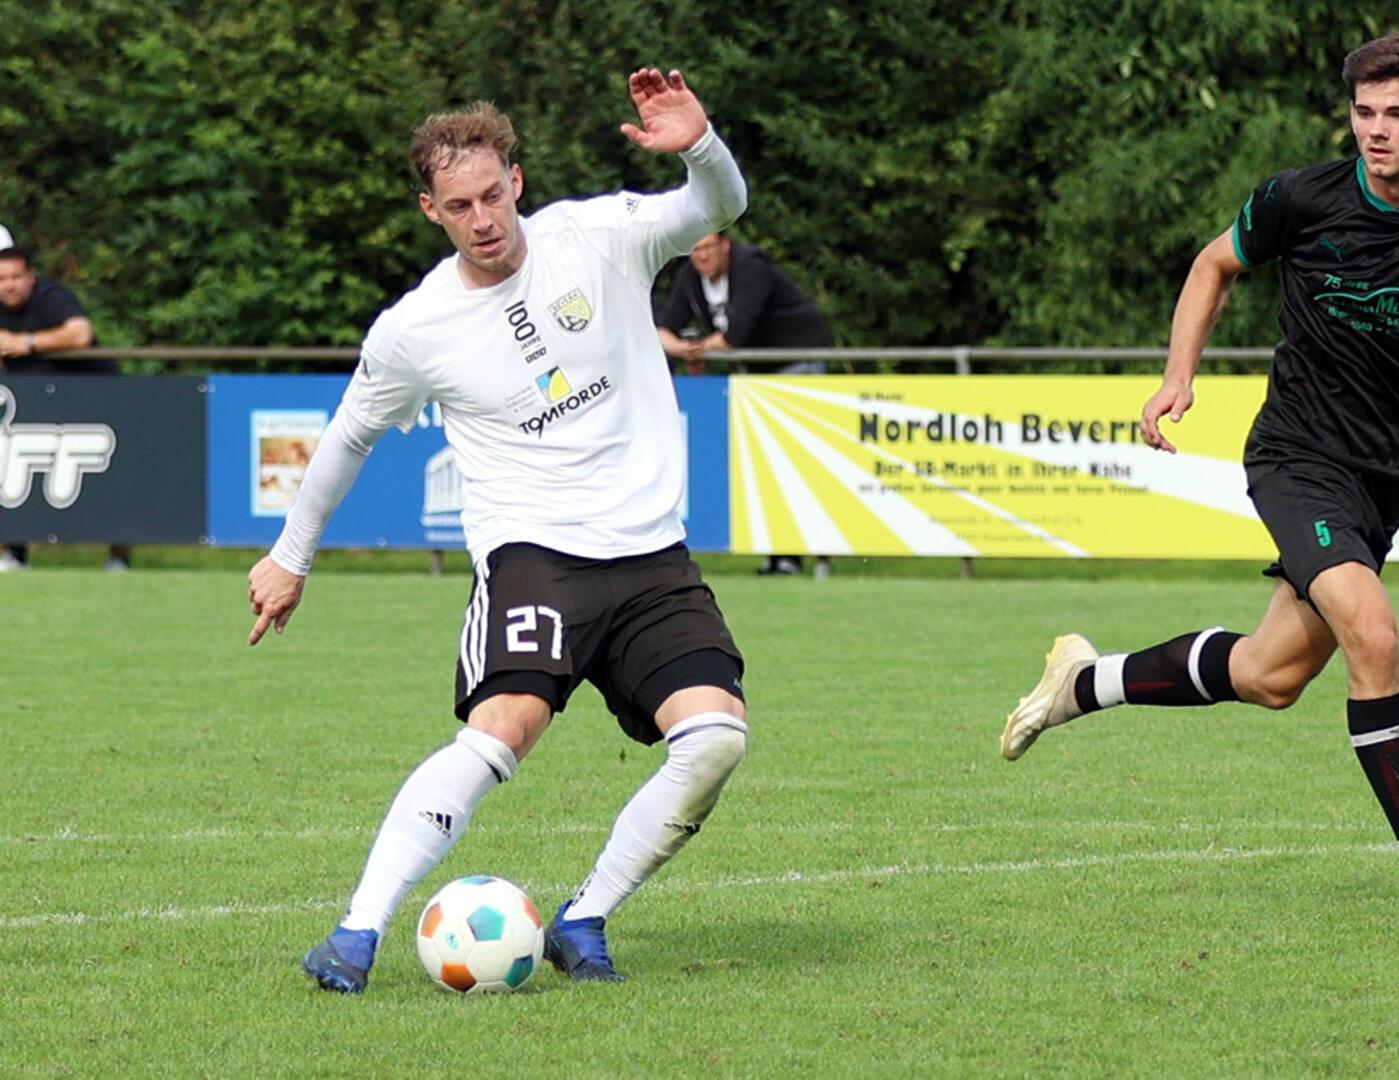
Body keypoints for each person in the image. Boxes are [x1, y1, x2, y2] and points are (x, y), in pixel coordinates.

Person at [1001, 31, 1399, 927]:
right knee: (1375, 635)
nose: (1375, 130)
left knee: (1270, 674)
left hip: (1381, 478)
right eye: (1364, 112)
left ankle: (1084, 682)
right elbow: (1214, 263)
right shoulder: (1300, 197)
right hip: (1295, 457)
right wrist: (1179, 374)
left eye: (1398, 114)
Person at [248, 69, 752, 994]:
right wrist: (291, 553)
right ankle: (355, 933)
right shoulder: (416, 329)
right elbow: (351, 434)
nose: (483, 219)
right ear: (430, 211)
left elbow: (719, 204)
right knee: (502, 732)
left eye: (492, 195)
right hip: (535, 556)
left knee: (717, 737)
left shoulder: (601, 236)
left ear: (515, 181)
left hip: (650, 557)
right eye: (458, 206)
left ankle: (586, 915)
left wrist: (698, 144)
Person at [655, 230, 834, 575]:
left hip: (797, 361)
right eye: (694, 250)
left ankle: (817, 556)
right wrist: (687, 349)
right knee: (765, 462)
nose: (701, 256)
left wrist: (696, 348)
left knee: (795, 460)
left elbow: (736, 336)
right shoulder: (691, 276)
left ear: (725, 245)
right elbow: (664, 329)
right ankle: (781, 558)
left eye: (707, 247)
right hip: (756, 374)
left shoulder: (751, 267)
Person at [0, 245, 129, 571]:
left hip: (93, 397)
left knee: (112, 481)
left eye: (16, 276)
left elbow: (80, 333)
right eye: (2, 279)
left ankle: (118, 559)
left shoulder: (50, 296)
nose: (10, 285)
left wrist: (25, 343)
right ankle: (15, 555)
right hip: (33, 401)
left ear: (30, 277)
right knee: (16, 475)